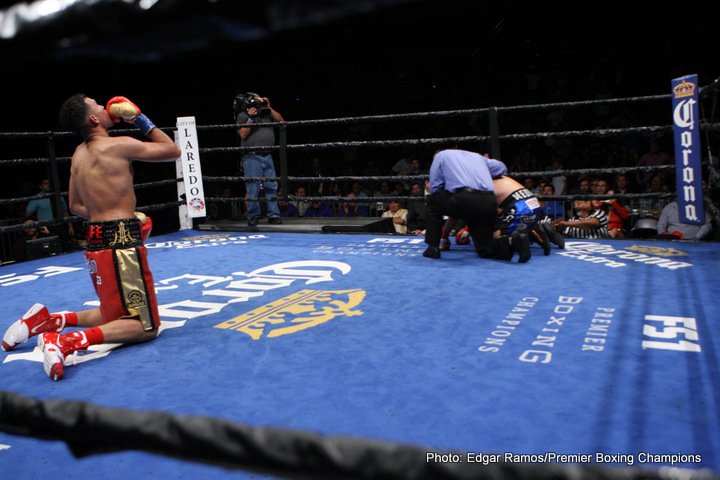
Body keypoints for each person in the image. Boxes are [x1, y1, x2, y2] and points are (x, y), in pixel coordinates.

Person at [2, 94, 181, 381]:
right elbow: (172, 150)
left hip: (95, 238)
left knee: (114, 315)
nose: (104, 105)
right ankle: (65, 342)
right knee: (145, 326)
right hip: (121, 241)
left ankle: (49, 321)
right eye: (97, 104)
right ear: (95, 119)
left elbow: (75, 206)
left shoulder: (78, 155)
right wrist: (138, 118)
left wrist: (108, 214)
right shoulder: (117, 145)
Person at [423, 149, 530, 262]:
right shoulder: (478, 157)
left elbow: (435, 188)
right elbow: (502, 168)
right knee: (485, 248)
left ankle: (433, 248)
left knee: (432, 201)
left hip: (463, 199)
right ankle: (512, 241)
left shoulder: (440, 156)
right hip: (488, 201)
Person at [236, 94, 284, 226]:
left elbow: (282, 122)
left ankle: (274, 215)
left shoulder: (267, 114)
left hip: (267, 155)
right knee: (253, 187)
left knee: (271, 186)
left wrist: (269, 107)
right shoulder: (243, 115)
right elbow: (243, 134)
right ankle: (253, 216)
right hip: (251, 156)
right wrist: (251, 118)